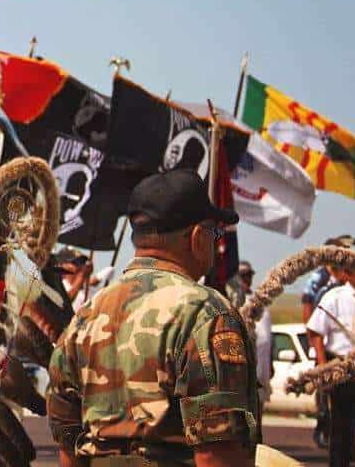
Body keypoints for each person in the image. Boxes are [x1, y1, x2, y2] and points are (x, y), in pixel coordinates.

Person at [47, 169, 261, 466]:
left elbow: (68, 443)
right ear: (198, 236)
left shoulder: (84, 316)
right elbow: (219, 453)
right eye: (215, 233)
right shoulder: (206, 314)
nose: (216, 243)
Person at [306, 265, 355, 467]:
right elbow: (315, 332)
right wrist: (324, 369)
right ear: (348, 274)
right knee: (341, 431)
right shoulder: (334, 297)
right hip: (342, 371)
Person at [300, 234, 355, 448]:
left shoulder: (348, 278)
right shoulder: (319, 280)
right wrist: (316, 350)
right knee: (327, 396)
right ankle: (324, 427)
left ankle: (349, 441)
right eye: (343, 249)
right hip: (325, 348)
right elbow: (308, 312)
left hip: (350, 352)